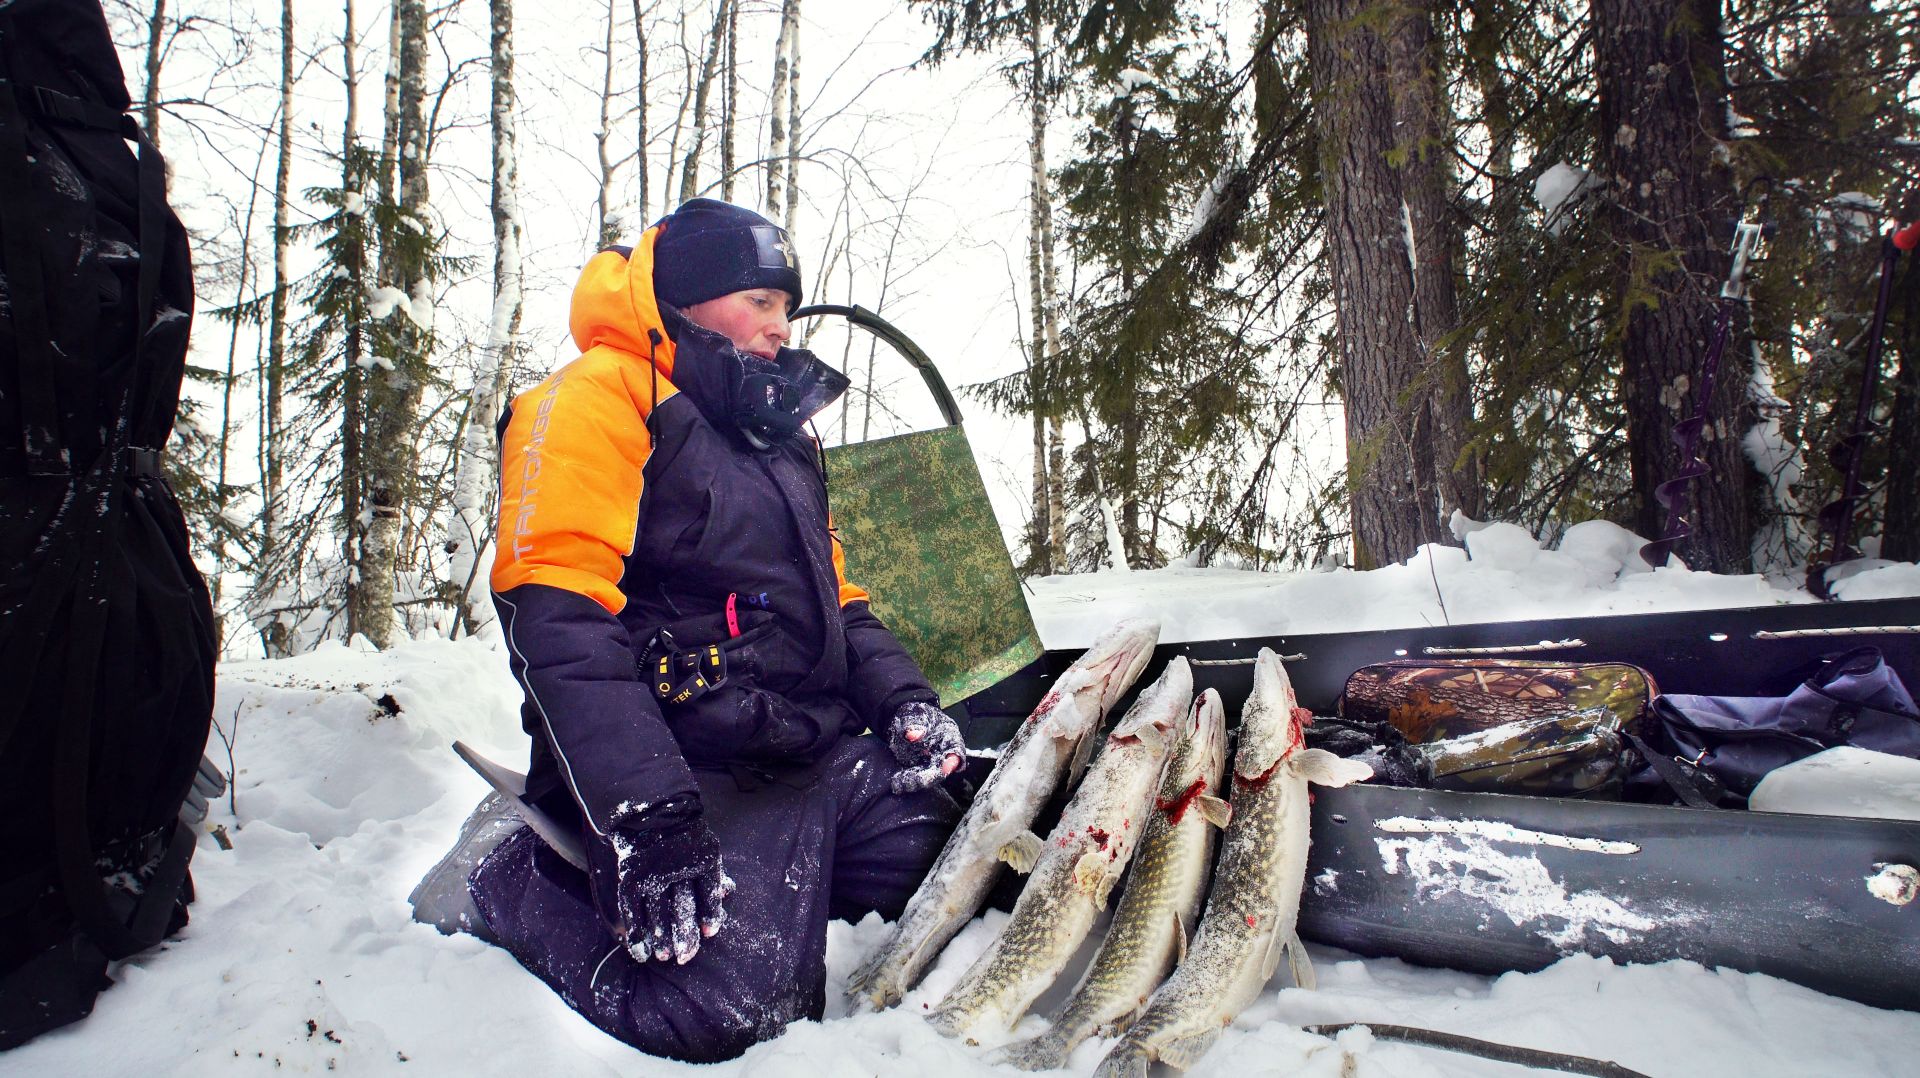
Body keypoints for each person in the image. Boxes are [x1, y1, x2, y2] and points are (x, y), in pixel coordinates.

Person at [454, 199, 967, 1062]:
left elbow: (840, 600)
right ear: (688, 300)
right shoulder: (595, 397)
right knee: (728, 1010)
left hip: (801, 753)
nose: (781, 326)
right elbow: (561, 623)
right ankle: (516, 877)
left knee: (948, 859)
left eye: (786, 306)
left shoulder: (778, 433)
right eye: (759, 301)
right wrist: (650, 816)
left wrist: (904, 702)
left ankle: (786, 888)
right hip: (682, 767)